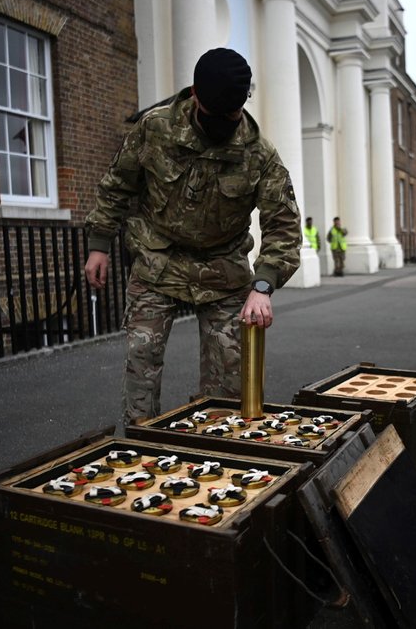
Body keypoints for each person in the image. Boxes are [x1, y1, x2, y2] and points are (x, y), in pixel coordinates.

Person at [84, 47, 302, 426]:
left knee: (228, 383)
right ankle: (143, 447)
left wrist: (263, 286)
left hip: (223, 269)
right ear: (195, 94)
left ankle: (215, 458)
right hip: (157, 259)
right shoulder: (155, 128)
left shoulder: (259, 155)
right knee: (142, 362)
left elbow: (283, 226)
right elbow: (117, 184)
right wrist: (99, 244)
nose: (223, 123)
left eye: (231, 115)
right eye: (214, 114)